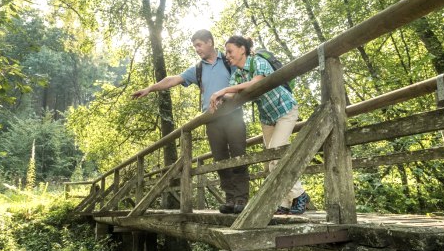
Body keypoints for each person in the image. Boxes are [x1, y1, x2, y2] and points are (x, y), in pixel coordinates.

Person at [131, 29, 249, 214]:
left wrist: (227, 94)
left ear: (210, 42)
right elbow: (173, 79)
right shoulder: (198, 68)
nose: (197, 49)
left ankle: (241, 198)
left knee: (238, 156)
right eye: (194, 46)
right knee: (219, 159)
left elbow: (244, 79)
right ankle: (230, 199)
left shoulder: (228, 60)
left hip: (233, 115)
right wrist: (150, 88)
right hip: (211, 119)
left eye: (199, 45)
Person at [209, 35, 310, 215]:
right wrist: (220, 97)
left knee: (276, 154)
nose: (227, 55)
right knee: (269, 160)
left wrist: (224, 89)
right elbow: (234, 94)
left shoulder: (258, 62)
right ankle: (285, 203)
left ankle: (299, 194)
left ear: (242, 49)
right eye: (226, 52)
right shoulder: (237, 74)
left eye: (230, 51)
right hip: (268, 117)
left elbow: (256, 83)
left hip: (285, 110)